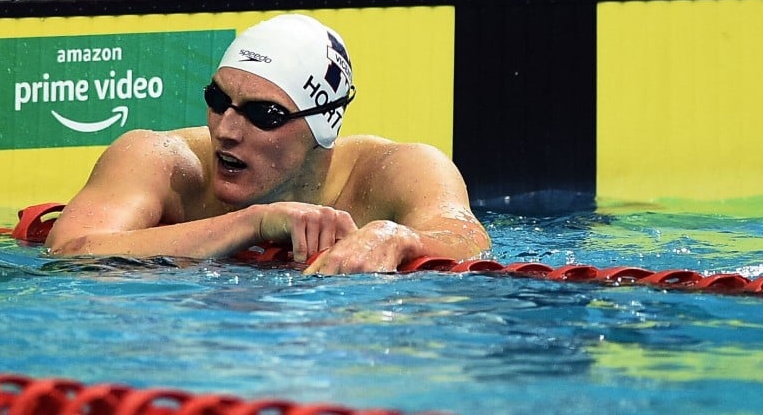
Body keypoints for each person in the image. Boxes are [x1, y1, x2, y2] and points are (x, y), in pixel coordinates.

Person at [45, 14, 490, 274]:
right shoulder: (159, 160)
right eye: (218, 100)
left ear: (323, 127)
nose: (227, 129)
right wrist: (252, 223)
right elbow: (68, 251)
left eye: (263, 115)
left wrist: (397, 239)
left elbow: (467, 238)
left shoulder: (399, 170)